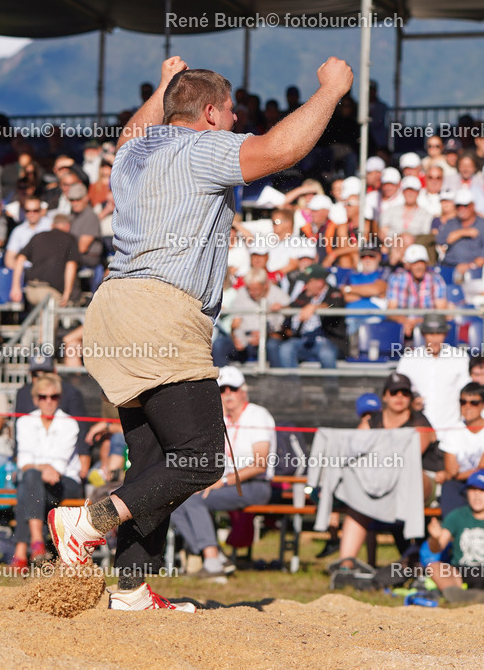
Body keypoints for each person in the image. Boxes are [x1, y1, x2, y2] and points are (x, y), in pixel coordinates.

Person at [49, 55, 353, 612]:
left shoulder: (134, 152)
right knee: (202, 459)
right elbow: (281, 151)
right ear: (211, 113)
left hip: (114, 306)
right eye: (233, 113)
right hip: (163, 309)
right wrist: (331, 93)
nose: (237, 123)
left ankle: (132, 591)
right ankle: (87, 519)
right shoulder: (201, 148)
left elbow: (135, 128)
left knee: (154, 461)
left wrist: (166, 85)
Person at [170, 367, 275, 577]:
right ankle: (216, 557)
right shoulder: (218, 419)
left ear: (243, 391)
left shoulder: (258, 415)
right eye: (222, 389)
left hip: (255, 485)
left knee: (193, 500)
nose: (227, 394)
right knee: (175, 501)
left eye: (232, 389)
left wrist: (223, 481)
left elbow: (260, 464)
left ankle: (212, 562)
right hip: (224, 483)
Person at [334, 372, 438, 568]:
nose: (399, 397)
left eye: (405, 393)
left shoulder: (420, 422)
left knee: (410, 475)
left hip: (419, 484)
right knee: (358, 500)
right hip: (380, 482)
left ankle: (415, 563)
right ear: (385, 396)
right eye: (394, 392)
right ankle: (345, 567)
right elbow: (352, 451)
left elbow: (411, 457)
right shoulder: (371, 421)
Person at [10, 374, 83, 571]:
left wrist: (37, 467)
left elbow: (57, 467)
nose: (48, 401)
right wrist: (41, 468)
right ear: (35, 399)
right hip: (39, 483)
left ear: (59, 398)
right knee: (31, 481)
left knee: (28, 484)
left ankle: (23, 550)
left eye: (53, 396)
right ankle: (36, 543)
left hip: (66, 483)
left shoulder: (69, 424)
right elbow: (24, 460)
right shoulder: (24, 422)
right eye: (43, 397)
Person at [397, 314, 470, 436]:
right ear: (423, 334)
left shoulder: (460, 358)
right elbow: (401, 392)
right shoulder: (408, 360)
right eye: (431, 334)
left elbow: (466, 393)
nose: (435, 339)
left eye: (439, 333)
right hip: (418, 430)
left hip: (450, 431)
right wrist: (412, 401)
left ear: (445, 334)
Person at [425, 468, 484, 603]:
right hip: (462, 571)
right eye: (473, 490)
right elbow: (437, 548)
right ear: (466, 493)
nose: (477, 495)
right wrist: (434, 538)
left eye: (482, 491)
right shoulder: (457, 515)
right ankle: (458, 596)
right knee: (435, 567)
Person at [278, 264, 348, 369]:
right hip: (305, 340)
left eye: (308, 282)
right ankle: (292, 385)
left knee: (326, 354)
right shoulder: (304, 295)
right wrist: (280, 307)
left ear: (319, 282)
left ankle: (331, 385)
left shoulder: (335, 293)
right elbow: (292, 306)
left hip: (329, 340)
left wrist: (314, 307)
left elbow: (334, 305)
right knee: (285, 348)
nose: (305, 286)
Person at [439, 383, 484, 517]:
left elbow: (481, 469)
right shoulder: (453, 430)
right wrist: (451, 474)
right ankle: (450, 534)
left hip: (481, 481)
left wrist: (454, 474)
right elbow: (450, 470)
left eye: (474, 402)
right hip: (458, 484)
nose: (467, 407)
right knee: (449, 488)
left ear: (482, 405)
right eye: (463, 402)